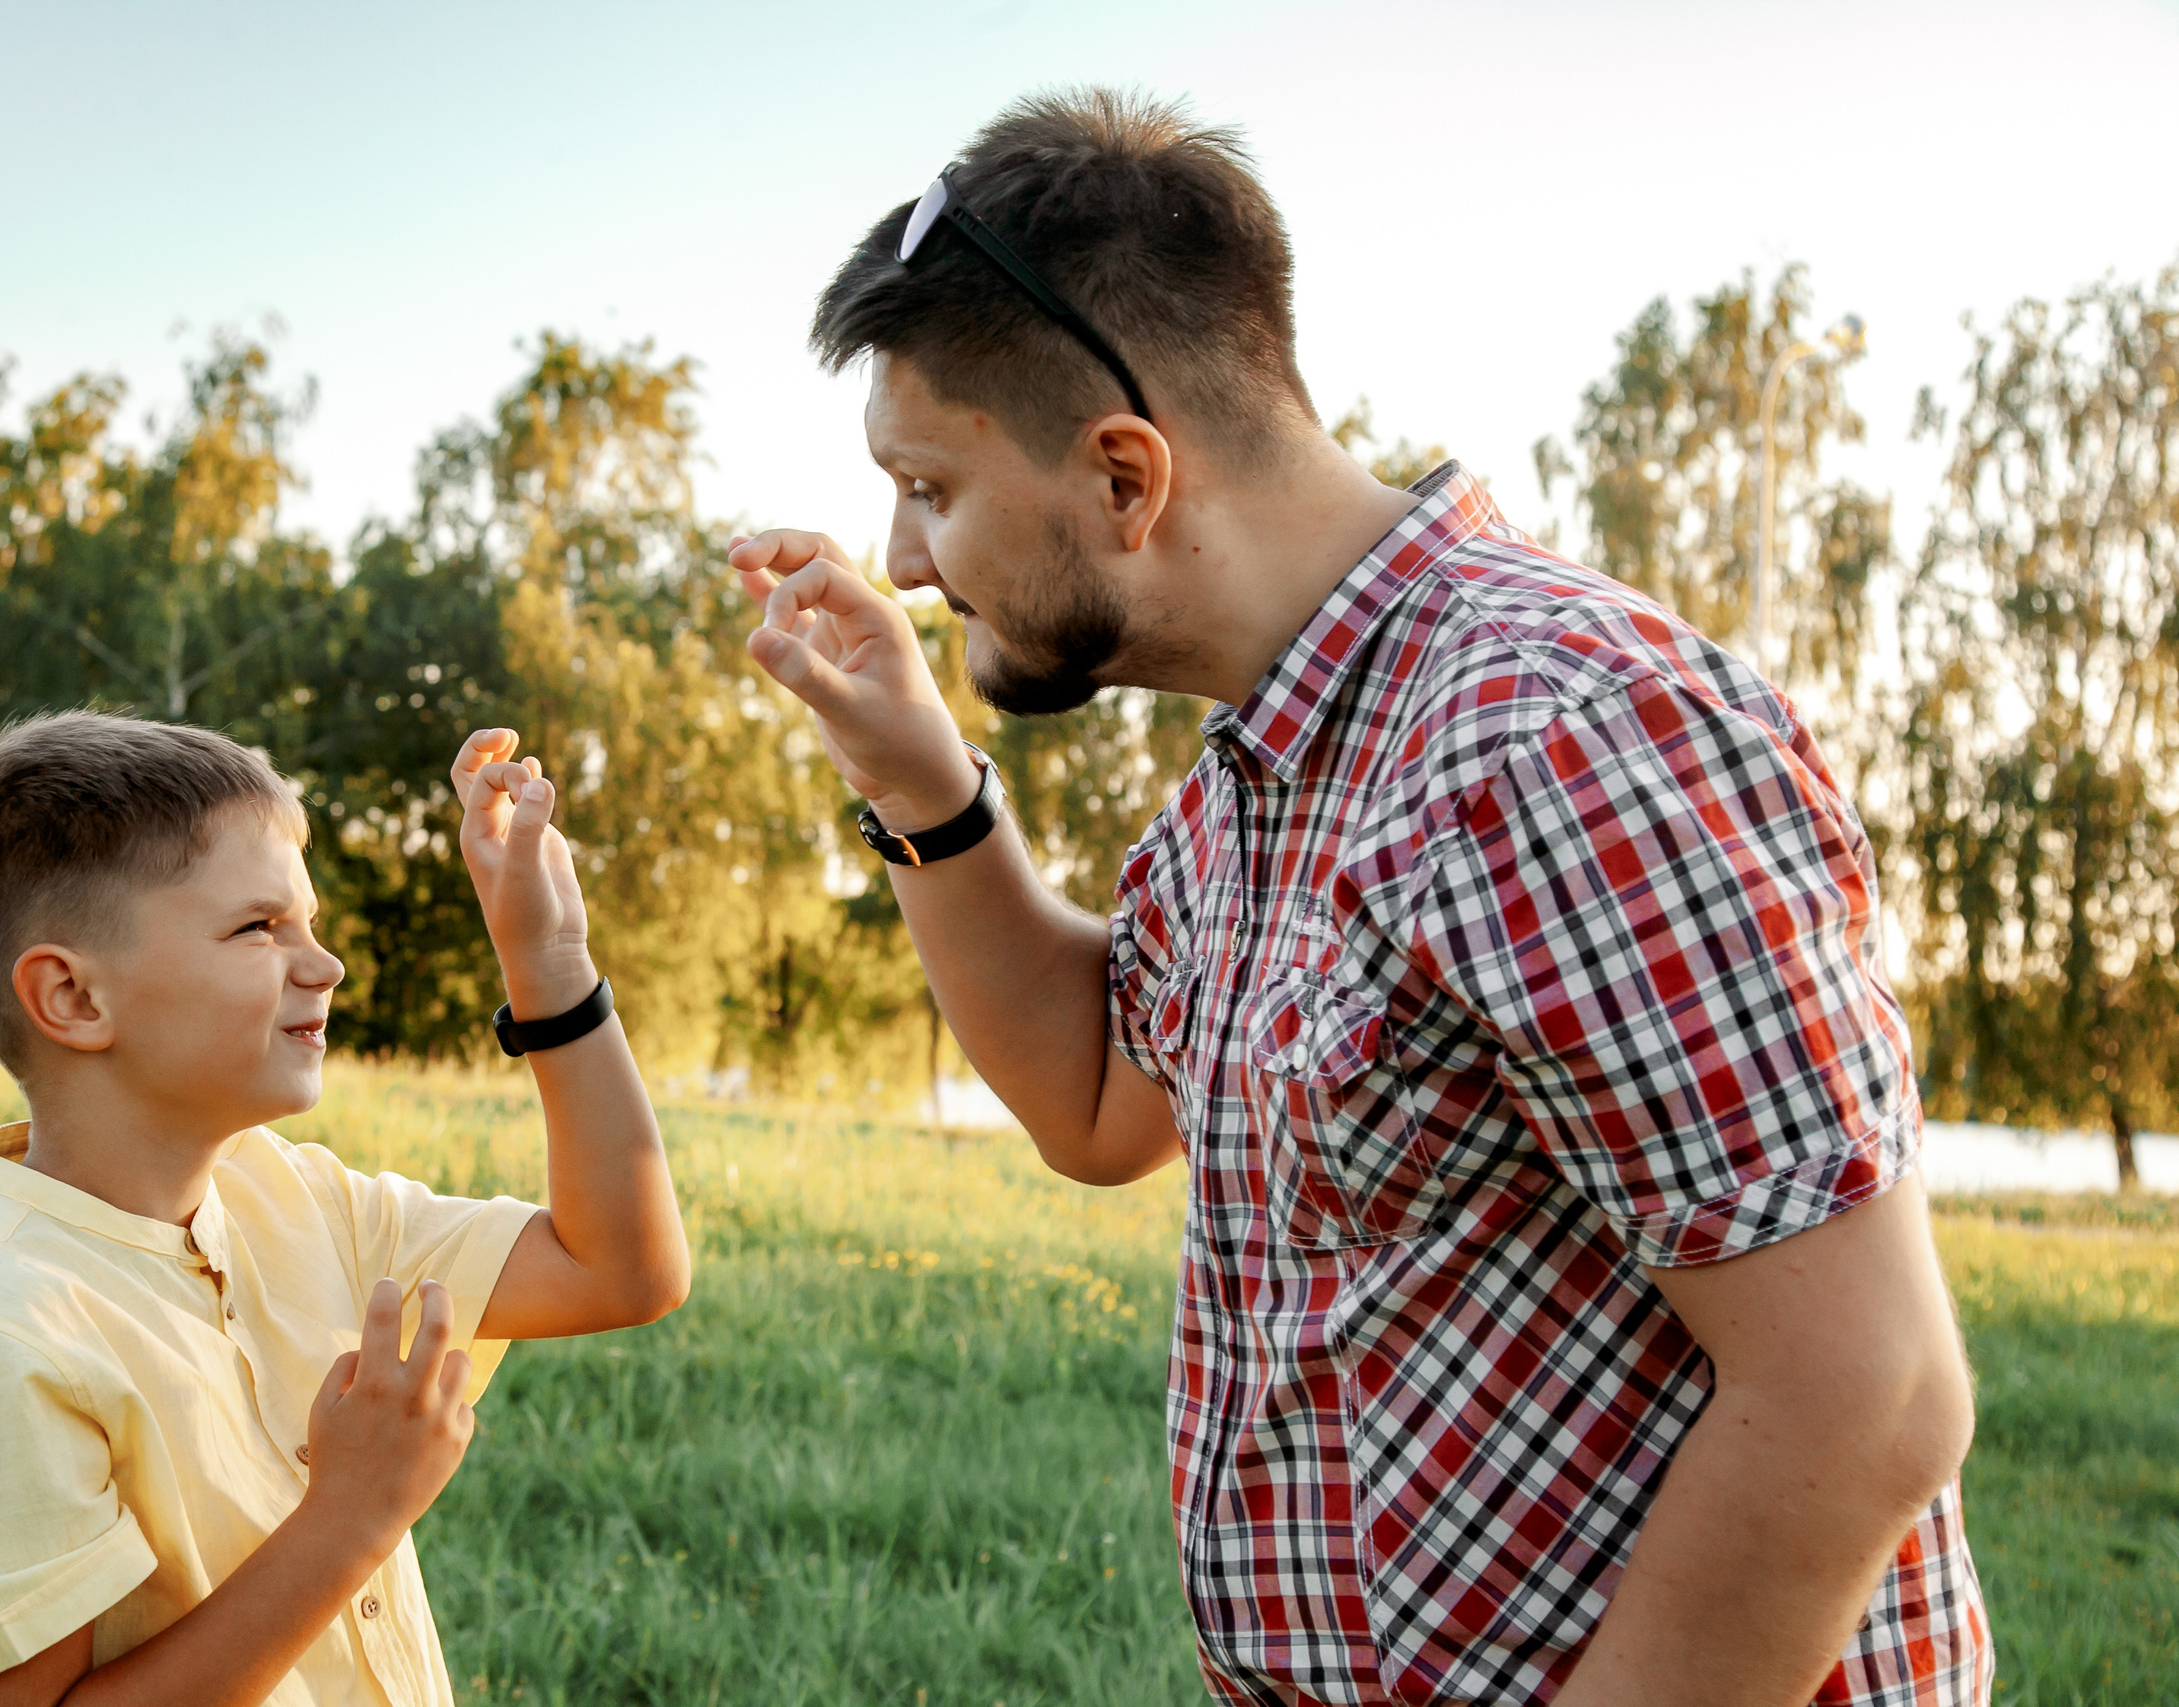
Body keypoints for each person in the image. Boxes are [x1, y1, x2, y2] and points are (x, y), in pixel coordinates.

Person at [726, 89, 1987, 1706]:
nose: (903, 556)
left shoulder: (1561, 734)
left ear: (1126, 479)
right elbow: (1102, 1099)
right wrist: (912, 771)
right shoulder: (1270, 765)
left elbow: (1864, 1398)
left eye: (933, 489)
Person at [0, 711, 688, 1706]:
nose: (324, 965)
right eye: (259, 927)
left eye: (309, 923)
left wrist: (550, 960)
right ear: (72, 999)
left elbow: (620, 1269)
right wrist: (349, 1519)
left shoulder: (296, 1199)